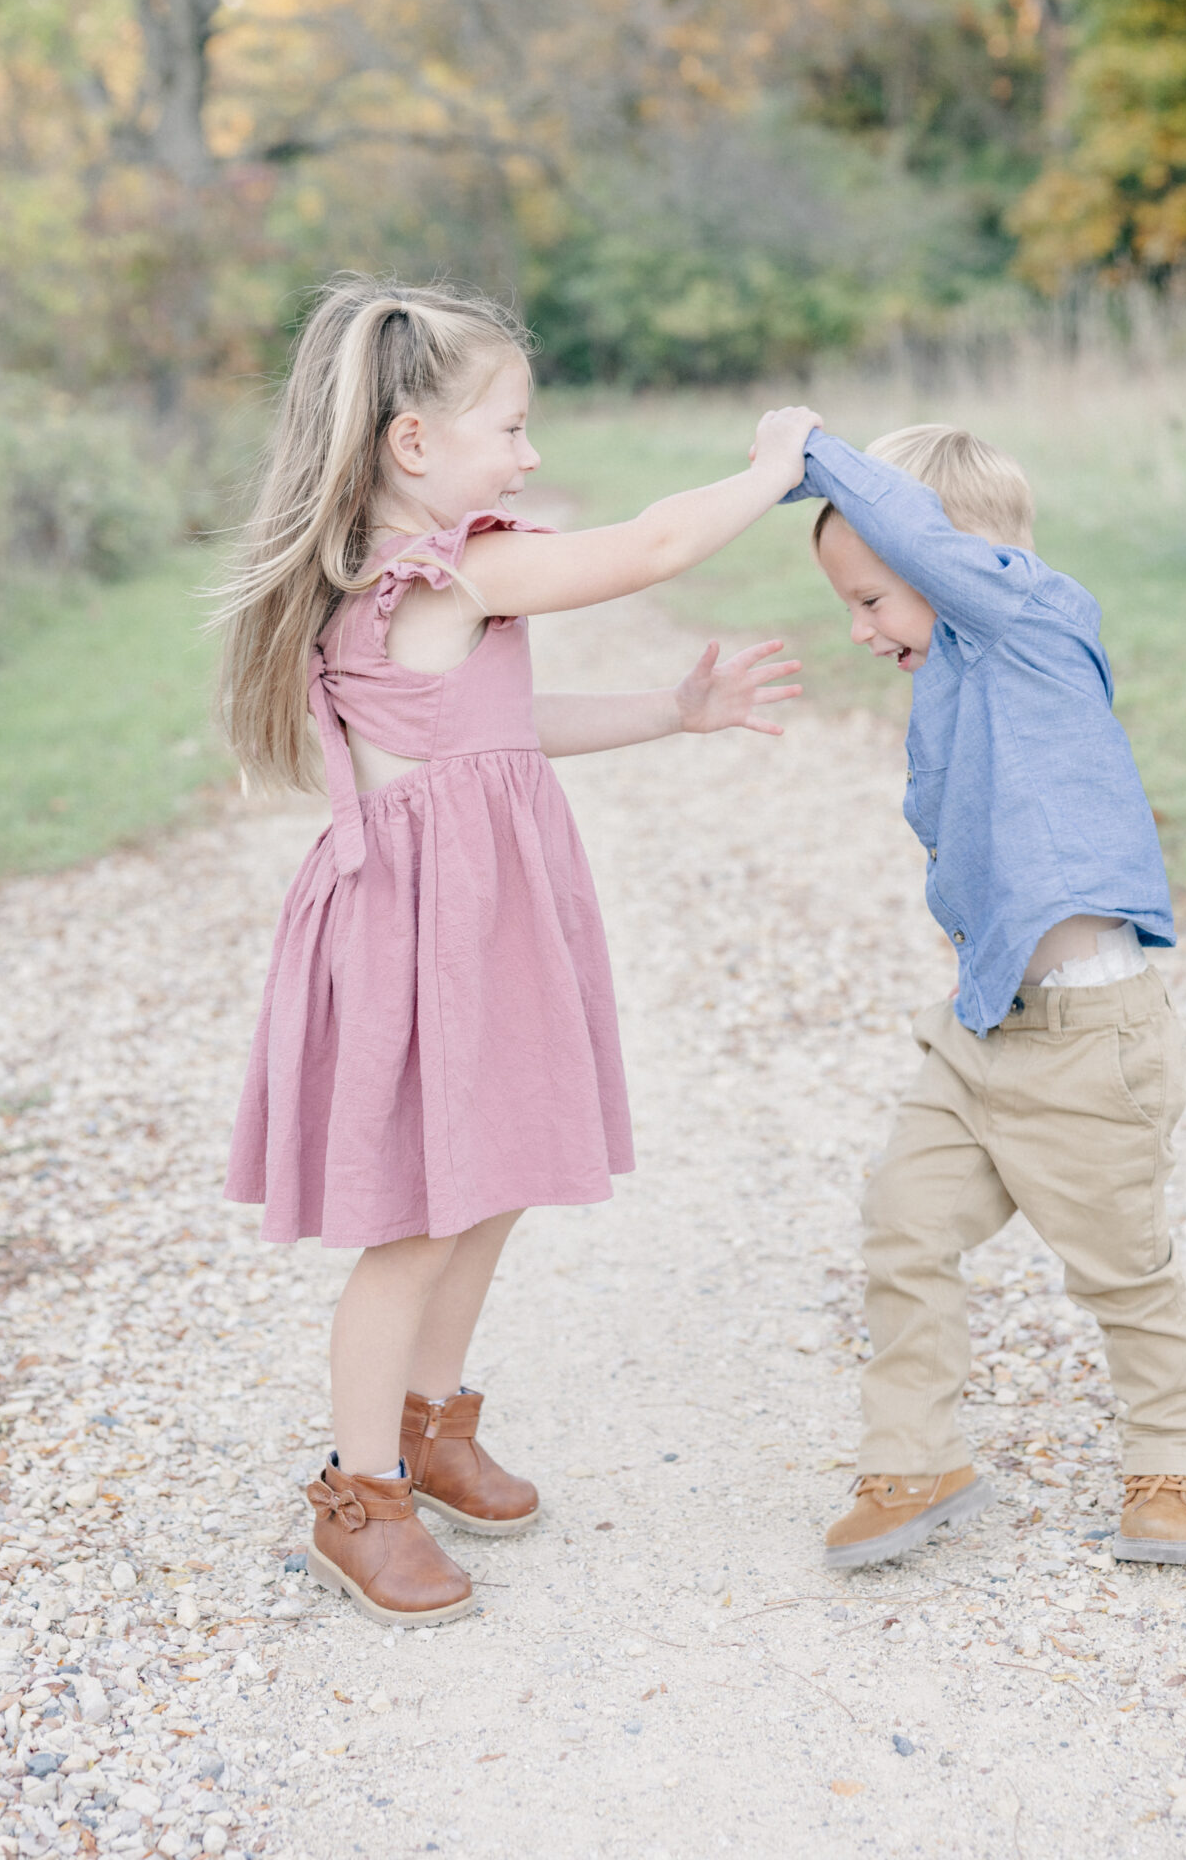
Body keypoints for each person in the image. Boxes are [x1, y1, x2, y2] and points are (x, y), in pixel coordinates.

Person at [218, 278, 816, 1626]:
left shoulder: (420, 581)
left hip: (470, 918)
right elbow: (654, 547)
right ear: (413, 445)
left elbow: (501, 728)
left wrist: (673, 709)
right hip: (421, 927)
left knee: (488, 1177)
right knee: (418, 1217)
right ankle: (357, 1494)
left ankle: (429, 1427)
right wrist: (769, 467)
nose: (530, 456)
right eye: (511, 427)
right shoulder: (450, 567)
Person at [783, 420, 1186, 1570]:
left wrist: (811, 449)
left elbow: (930, 547)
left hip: (1092, 1037)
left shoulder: (1035, 628)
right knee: (904, 1229)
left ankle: (1169, 1462)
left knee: (1122, 1270)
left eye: (874, 599)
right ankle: (914, 1456)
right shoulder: (949, 681)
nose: (863, 631)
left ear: (944, 561)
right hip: (981, 1034)